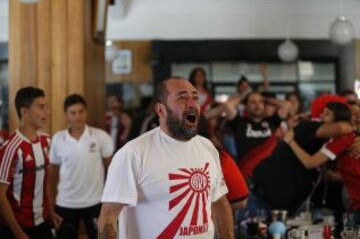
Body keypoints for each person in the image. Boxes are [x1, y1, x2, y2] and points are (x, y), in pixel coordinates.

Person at [98, 77, 234, 239]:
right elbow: (109, 216)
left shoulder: (207, 148)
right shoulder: (133, 154)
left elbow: (219, 203)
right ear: (161, 110)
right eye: (182, 98)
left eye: (195, 98)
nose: (192, 104)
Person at [253, 100, 353, 214]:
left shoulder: (332, 140)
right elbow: (341, 128)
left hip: (284, 194)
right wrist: (352, 125)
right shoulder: (308, 126)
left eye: (327, 114)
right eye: (322, 113)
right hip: (266, 190)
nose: (321, 116)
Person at [48, 94, 114, 239]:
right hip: (65, 203)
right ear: (66, 114)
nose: (78, 116)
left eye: (81, 111)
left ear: (86, 112)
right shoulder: (58, 139)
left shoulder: (101, 136)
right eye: (73, 112)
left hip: (96, 202)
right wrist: (50, 206)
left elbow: (114, 171)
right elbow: (51, 176)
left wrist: (111, 201)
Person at [284, 103, 360, 224]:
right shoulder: (346, 138)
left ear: (338, 120)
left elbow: (310, 162)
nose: (321, 117)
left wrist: (291, 142)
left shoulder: (342, 139)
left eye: (327, 114)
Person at [0, 87, 52, 239]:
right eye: (41, 107)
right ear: (24, 111)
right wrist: (18, 233)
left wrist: (52, 212)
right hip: (17, 228)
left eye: (46, 107)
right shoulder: (10, 147)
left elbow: (45, 182)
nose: (46, 112)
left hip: (44, 222)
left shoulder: (46, 141)